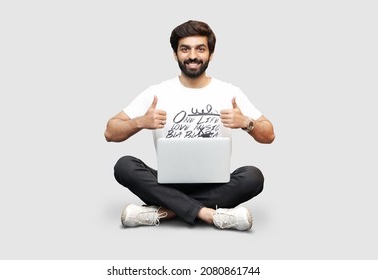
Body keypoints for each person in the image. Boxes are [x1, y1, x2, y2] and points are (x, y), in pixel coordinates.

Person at [104, 20, 275, 231]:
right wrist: (140, 122)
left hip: (215, 183)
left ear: (211, 54)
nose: (193, 56)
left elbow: (269, 134)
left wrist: (246, 123)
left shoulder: (229, 92)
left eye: (200, 49)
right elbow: (110, 131)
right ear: (175, 54)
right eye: (185, 49)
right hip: (166, 182)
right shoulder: (156, 92)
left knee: (253, 177)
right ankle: (210, 214)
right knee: (124, 165)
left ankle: (163, 212)